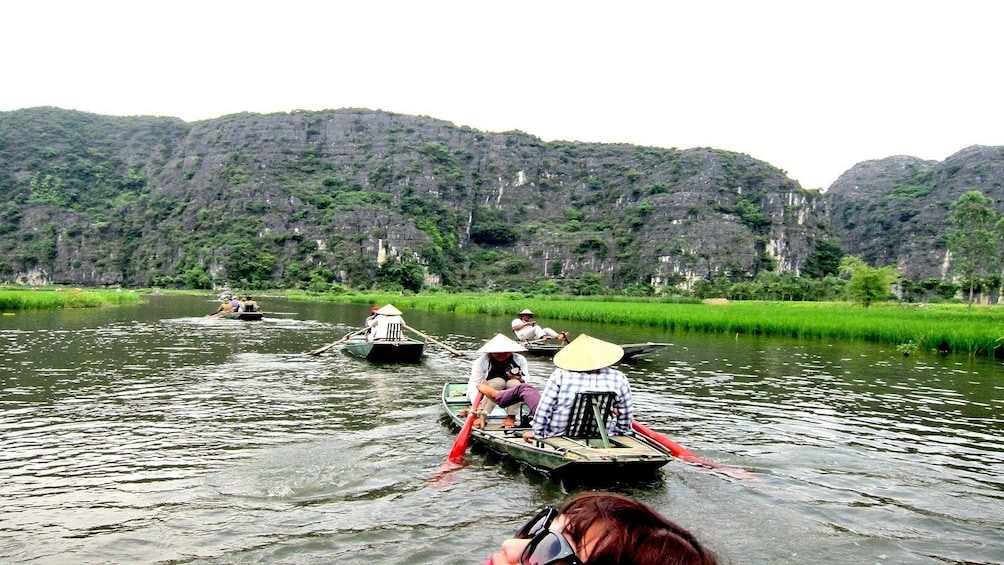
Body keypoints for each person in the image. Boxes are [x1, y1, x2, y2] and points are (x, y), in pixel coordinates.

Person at [483, 491, 718, 565]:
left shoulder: (556, 381)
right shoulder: (620, 382)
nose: (509, 546)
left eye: (551, 549)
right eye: (537, 531)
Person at [528, 333, 635, 441]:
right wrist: (620, 432)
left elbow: (545, 408)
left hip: (559, 434)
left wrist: (538, 433)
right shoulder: (618, 377)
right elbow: (626, 413)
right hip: (602, 435)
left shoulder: (560, 375)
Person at [467, 334, 531, 429]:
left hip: (511, 388)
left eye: (505, 352)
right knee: (498, 382)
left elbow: (526, 380)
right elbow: (474, 384)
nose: (501, 354)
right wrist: (477, 404)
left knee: (515, 384)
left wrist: (519, 378)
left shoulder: (520, 360)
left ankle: (511, 416)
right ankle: (482, 415)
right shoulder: (482, 362)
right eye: (497, 352)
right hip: (490, 388)